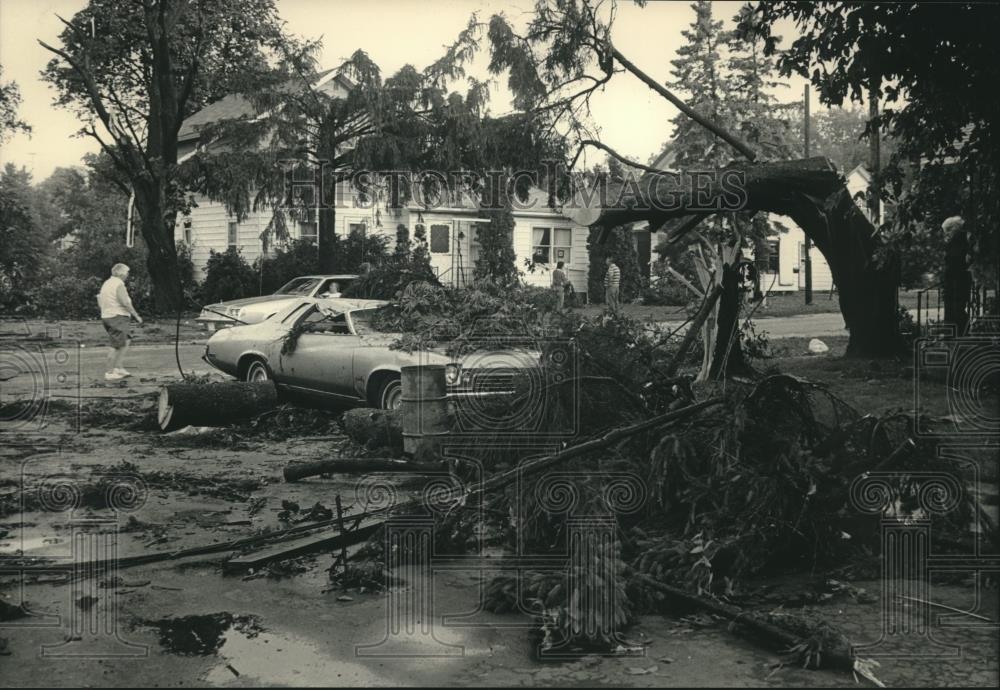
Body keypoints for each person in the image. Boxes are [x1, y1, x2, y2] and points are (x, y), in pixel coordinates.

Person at [97, 263, 142, 381]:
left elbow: (99, 299)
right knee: (116, 344)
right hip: (117, 316)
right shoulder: (118, 284)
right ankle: (109, 372)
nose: (127, 275)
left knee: (126, 339)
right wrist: (136, 315)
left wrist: (105, 311)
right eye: (127, 272)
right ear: (121, 273)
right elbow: (125, 302)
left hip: (108, 315)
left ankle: (118, 367)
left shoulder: (107, 283)